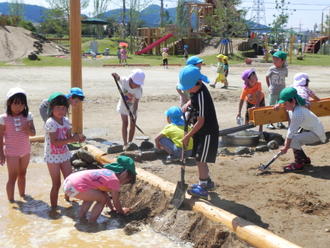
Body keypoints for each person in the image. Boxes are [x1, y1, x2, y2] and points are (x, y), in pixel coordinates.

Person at [178, 65, 219, 198]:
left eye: (189, 87)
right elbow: (193, 99)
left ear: (198, 82)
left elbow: (201, 121)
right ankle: (206, 181)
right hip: (200, 130)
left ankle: (202, 187)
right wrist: (188, 103)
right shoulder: (195, 91)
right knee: (200, 157)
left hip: (207, 131)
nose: (188, 90)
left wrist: (188, 136)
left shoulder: (201, 95)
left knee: (200, 159)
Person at [63, 155, 136, 223]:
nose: (123, 184)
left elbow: (105, 194)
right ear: (125, 174)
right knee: (102, 199)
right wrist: (122, 212)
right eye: (127, 181)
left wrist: (112, 209)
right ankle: (92, 223)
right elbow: (116, 202)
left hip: (67, 184)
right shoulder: (115, 181)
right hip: (76, 187)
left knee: (91, 198)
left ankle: (81, 220)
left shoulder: (107, 173)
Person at [44, 93, 85, 208]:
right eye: (57, 108)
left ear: (67, 109)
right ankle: (53, 208)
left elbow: (68, 137)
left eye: (63, 108)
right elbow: (55, 142)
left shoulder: (66, 121)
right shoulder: (50, 122)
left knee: (70, 180)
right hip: (52, 156)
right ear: (51, 109)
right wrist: (71, 139)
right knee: (56, 184)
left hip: (64, 154)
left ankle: (68, 199)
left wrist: (78, 138)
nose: (61, 111)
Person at [277, 87, 326, 172]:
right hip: (312, 130)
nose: (284, 107)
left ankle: (299, 164)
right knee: (292, 139)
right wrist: (277, 104)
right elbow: (291, 131)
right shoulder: (294, 107)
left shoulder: (298, 112)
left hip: (316, 133)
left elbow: (291, 132)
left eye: (285, 104)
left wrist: (286, 147)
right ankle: (304, 160)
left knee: (293, 140)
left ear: (293, 101)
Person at [0, 88, 36, 202]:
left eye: (21, 104)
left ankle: (23, 196)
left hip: (25, 150)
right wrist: (1, 153)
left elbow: (33, 133)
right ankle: (11, 202)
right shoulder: (3, 118)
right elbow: (0, 137)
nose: (18, 107)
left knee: (23, 174)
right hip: (11, 152)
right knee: (12, 177)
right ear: (9, 103)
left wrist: (27, 129)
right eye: (15, 104)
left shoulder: (28, 115)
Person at [112, 69, 145, 151]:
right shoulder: (125, 81)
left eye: (139, 84)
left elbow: (136, 102)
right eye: (136, 84)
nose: (138, 85)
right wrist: (116, 76)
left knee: (133, 124)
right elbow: (118, 78)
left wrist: (134, 113)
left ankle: (130, 143)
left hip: (133, 108)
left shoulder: (139, 90)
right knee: (125, 123)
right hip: (123, 106)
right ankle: (125, 143)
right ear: (131, 79)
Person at [237, 68, 265, 133]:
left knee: (261, 114)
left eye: (255, 75)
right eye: (253, 76)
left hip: (260, 100)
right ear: (248, 81)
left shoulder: (258, 84)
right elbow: (241, 100)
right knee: (247, 115)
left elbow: (258, 95)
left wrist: (257, 105)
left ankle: (260, 130)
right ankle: (245, 129)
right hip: (250, 101)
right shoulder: (246, 89)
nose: (255, 77)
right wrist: (239, 112)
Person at [265, 51, 288, 129]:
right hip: (273, 91)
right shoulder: (271, 69)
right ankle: (269, 123)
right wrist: (269, 87)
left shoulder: (285, 69)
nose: (274, 61)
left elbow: (284, 77)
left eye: (276, 60)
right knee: (271, 106)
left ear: (282, 61)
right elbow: (267, 77)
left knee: (281, 106)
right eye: (273, 59)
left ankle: (279, 122)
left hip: (282, 92)